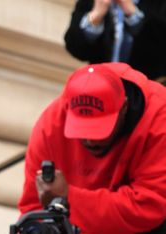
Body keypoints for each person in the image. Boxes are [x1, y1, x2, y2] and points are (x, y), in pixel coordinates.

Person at [18, 62, 166, 233]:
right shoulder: (50, 125)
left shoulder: (159, 117)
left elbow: (150, 206)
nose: (90, 140)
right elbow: (32, 210)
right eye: (81, 129)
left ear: (124, 107)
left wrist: (68, 198)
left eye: (99, 129)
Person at [64, 0, 166, 82]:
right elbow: (74, 46)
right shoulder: (92, 2)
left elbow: (160, 48)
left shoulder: (158, 4)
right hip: (101, 86)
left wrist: (133, 14)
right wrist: (95, 17)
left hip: (147, 90)